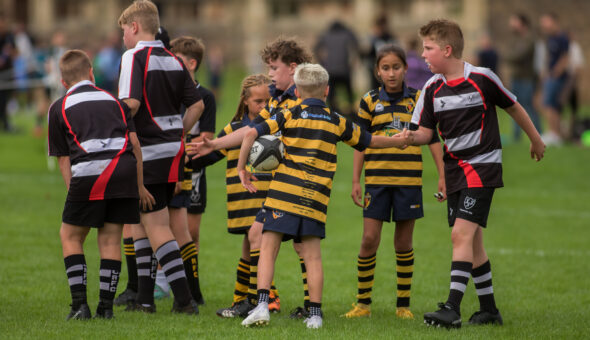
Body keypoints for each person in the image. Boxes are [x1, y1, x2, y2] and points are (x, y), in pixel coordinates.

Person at [239, 63, 411, 329]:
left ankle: (262, 306)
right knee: (313, 257)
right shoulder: (336, 120)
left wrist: (242, 169)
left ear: (296, 90)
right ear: (327, 90)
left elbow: (251, 132)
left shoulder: (289, 113)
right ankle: (315, 315)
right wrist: (398, 141)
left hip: (283, 194)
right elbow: (369, 141)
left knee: (268, 248)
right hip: (314, 200)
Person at [407, 19, 545, 329]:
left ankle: (452, 308)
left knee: (461, 235)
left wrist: (535, 139)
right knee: (473, 243)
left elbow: (513, 107)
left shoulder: (482, 78)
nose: (423, 55)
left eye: (428, 49)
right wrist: (404, 137)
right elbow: (424, 133)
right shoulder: (431, 88)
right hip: (455, 169)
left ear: (447, 49)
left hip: (483, 165)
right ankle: (489, 310)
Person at [188, 37, 313, 319]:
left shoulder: (300, 101)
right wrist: (207, 147)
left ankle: (279, 303)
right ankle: (251, 301)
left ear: (292, 68)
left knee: (300, 243)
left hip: (294, 183)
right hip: (263, 193)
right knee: (254, 240)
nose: (270, 75)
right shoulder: (278, 102)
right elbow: (248, 131)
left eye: (273, 68)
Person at [343, 44, 444, 320]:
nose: (391, 73)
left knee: (403, 243)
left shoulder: (418, 99)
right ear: (377, 71)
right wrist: (355, 180)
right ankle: (362, 304)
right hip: (376, 182)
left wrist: (443, 176)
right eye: (385, 68)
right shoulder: (368, 101)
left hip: (408, 182)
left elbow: (433, 138)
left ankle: (403, 305)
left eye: (396, 67)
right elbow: (360, 143)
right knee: (369, 239)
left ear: (405, 69)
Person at [117, 0, 204, 314]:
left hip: (147, 151)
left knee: (155, 224)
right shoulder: (173, 59)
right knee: (141, 220)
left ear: (135, 27)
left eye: (124, 31)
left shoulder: (133, 55)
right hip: (172, 151)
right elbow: (197, 105)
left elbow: (131, 104)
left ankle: (184, 301)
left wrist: (110, 123)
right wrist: (177, 131)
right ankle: (144, 299)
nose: (123, 38)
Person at [48, 49, 141, 320]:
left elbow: (64, 159)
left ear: (64, 82)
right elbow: (134, 145)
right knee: (111, 238)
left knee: (71, 235)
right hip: (124, 171)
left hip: (90, 173)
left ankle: (79, 306)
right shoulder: (116, 101)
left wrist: (73, 194)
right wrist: (139, 186)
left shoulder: (59, 106)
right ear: (92, 73)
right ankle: (106, 308)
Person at [191, 74, 280, 318]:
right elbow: (213, 153)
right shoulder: (234, 129)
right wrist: (186, 160)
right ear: (245, 101)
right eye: (258, 101)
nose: (263, 106)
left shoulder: (274, 126)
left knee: (256, 243)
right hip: (241, 198)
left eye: (267, 101)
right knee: (247, 247)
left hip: (267, 196)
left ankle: (255, 298)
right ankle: (243, 299)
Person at [154, 35, 215, 304]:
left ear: (191, 63)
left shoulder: (205, 96)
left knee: (191, 231)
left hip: (193, 169)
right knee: (162, 224)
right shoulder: (168, 91)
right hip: (167, 164)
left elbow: (208, 138)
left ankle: (191, 284)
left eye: (176, 60)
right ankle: (162, 282)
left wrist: (184, 148)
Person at [505, 13, 542, 141]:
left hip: (526, 80)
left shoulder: (529, 39)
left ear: (522, 23)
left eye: (514, 21)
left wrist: (508, 56)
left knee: (529, 107)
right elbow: (511, 54)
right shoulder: (516, 39)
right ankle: (516, 137)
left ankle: (539, 135)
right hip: (516, 79)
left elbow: (517, 56)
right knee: (514, 108)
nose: (512, 24)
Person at [314, 20, 359, 115]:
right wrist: (353, 61)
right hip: (344, 69)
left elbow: (316, 48)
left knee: (331, 94)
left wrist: (323, 63)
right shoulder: (346, 33)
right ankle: (351, 111)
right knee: (349, 93)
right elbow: (356, 44)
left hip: (330, 70)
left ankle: (333, 112)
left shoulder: (326, 34)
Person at [539, 13, 569, 145]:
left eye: (546, 22)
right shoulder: (550, 39)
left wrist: (555, 73)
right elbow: (549, 58)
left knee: (551, 105)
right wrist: (545, 73)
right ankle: (554, 132)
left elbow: (565, 58)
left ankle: (555, 134)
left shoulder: (562, 38)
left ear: (554, 21)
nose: (544, 25)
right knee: (549, 105)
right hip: (550, 76)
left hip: (557, 77)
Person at [366, 15, 399, 90]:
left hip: (387, 67)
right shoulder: (373, 39)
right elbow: (367, 53)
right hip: (375, 68)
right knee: (375, 89)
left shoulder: (390, 38)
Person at [0, 13, 15, 132]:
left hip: (7, 73)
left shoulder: (9, 36)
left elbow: (13, 51)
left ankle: (5, 123)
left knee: (4, 99)